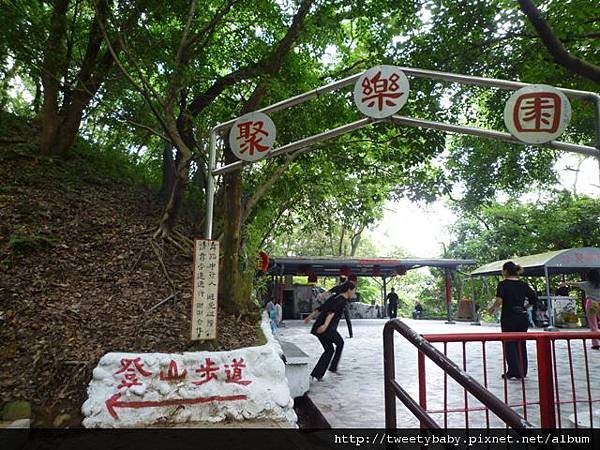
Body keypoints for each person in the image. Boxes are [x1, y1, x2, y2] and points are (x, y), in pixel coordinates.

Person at [487, 261, 538, 380]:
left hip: (508, 317)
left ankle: (513, 370)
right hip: (522, 317)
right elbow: (534, 299)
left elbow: (499, 301)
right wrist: (525, 307)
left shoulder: (503, 284)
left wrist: (491, 309)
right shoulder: (523, 285)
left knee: (509, 343)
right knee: (521, 343)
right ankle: (522, 371)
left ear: (505, 271)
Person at [303, 280, 356, 380]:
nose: (353, 293)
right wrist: (325, 325)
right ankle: (332, 368)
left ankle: (317, 374)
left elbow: (321, 308)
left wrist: (310, 317)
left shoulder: (334, 297)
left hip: (318, 327)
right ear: (349, 290)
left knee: (329, 350)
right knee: (340, 343)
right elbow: (331, 313)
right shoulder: (342, 300)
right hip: (327, 329)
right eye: (353, 291)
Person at [563, 269, 600, 350]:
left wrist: (565, 283)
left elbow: (575, 284)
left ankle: (596, 343)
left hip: (592, 303)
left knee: (593, 323)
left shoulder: (587, 284)